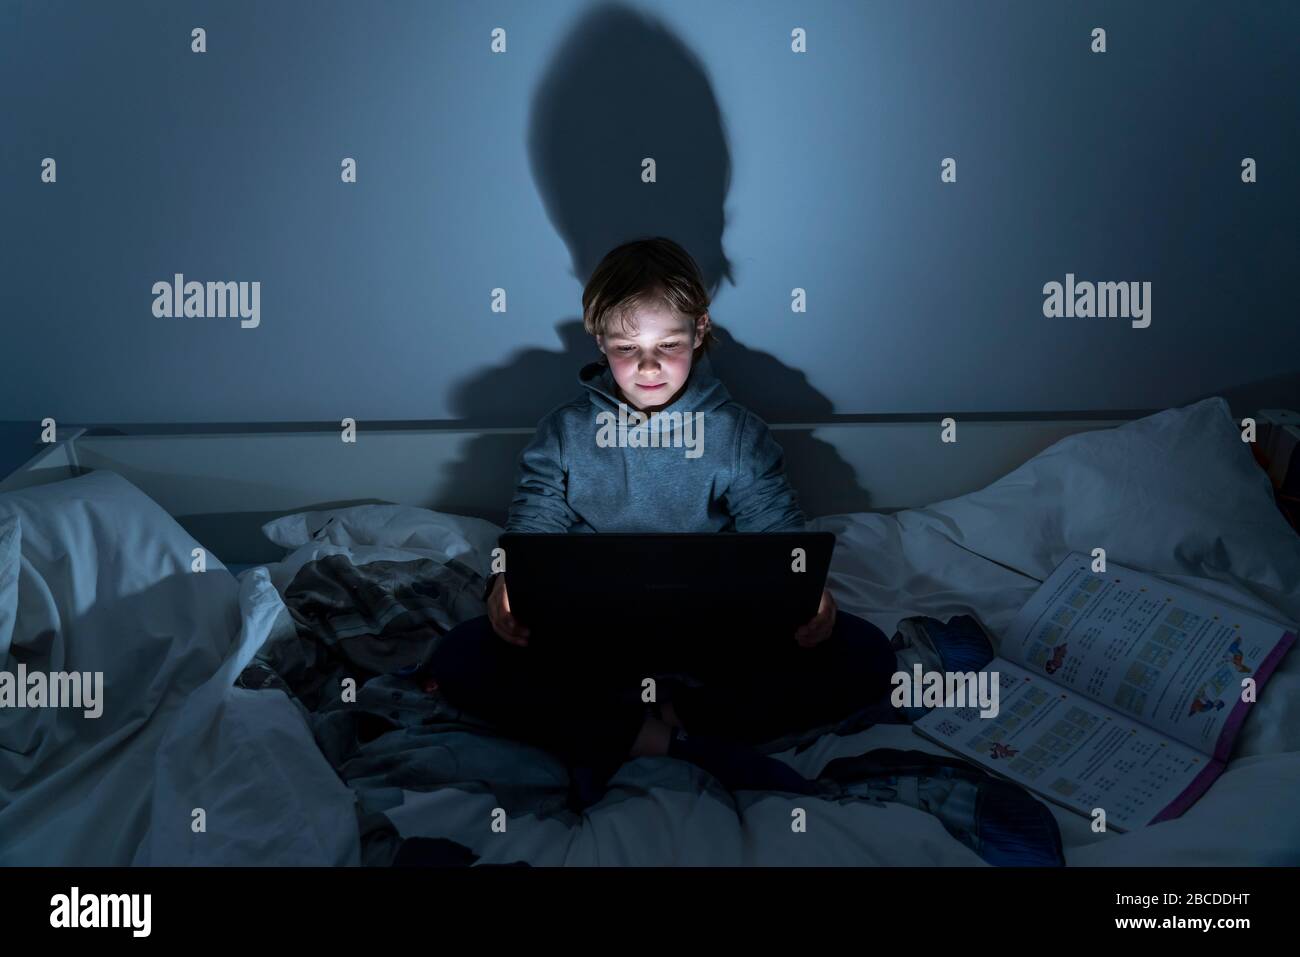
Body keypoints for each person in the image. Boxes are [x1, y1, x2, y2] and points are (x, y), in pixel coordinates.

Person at [429, 237, 896, 809]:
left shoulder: (738, 434)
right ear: (598, 339)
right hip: (591, 640)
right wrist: (507, 586)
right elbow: (532, 529)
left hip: (714, 638)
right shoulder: (565, 431)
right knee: (459, 657)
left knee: (867, 654)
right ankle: (673, 742)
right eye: (627, 347)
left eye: (668, 345)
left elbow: (779, 536)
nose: (648, 367)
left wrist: (809, 595)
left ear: (699, 332)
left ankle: (651, 725)